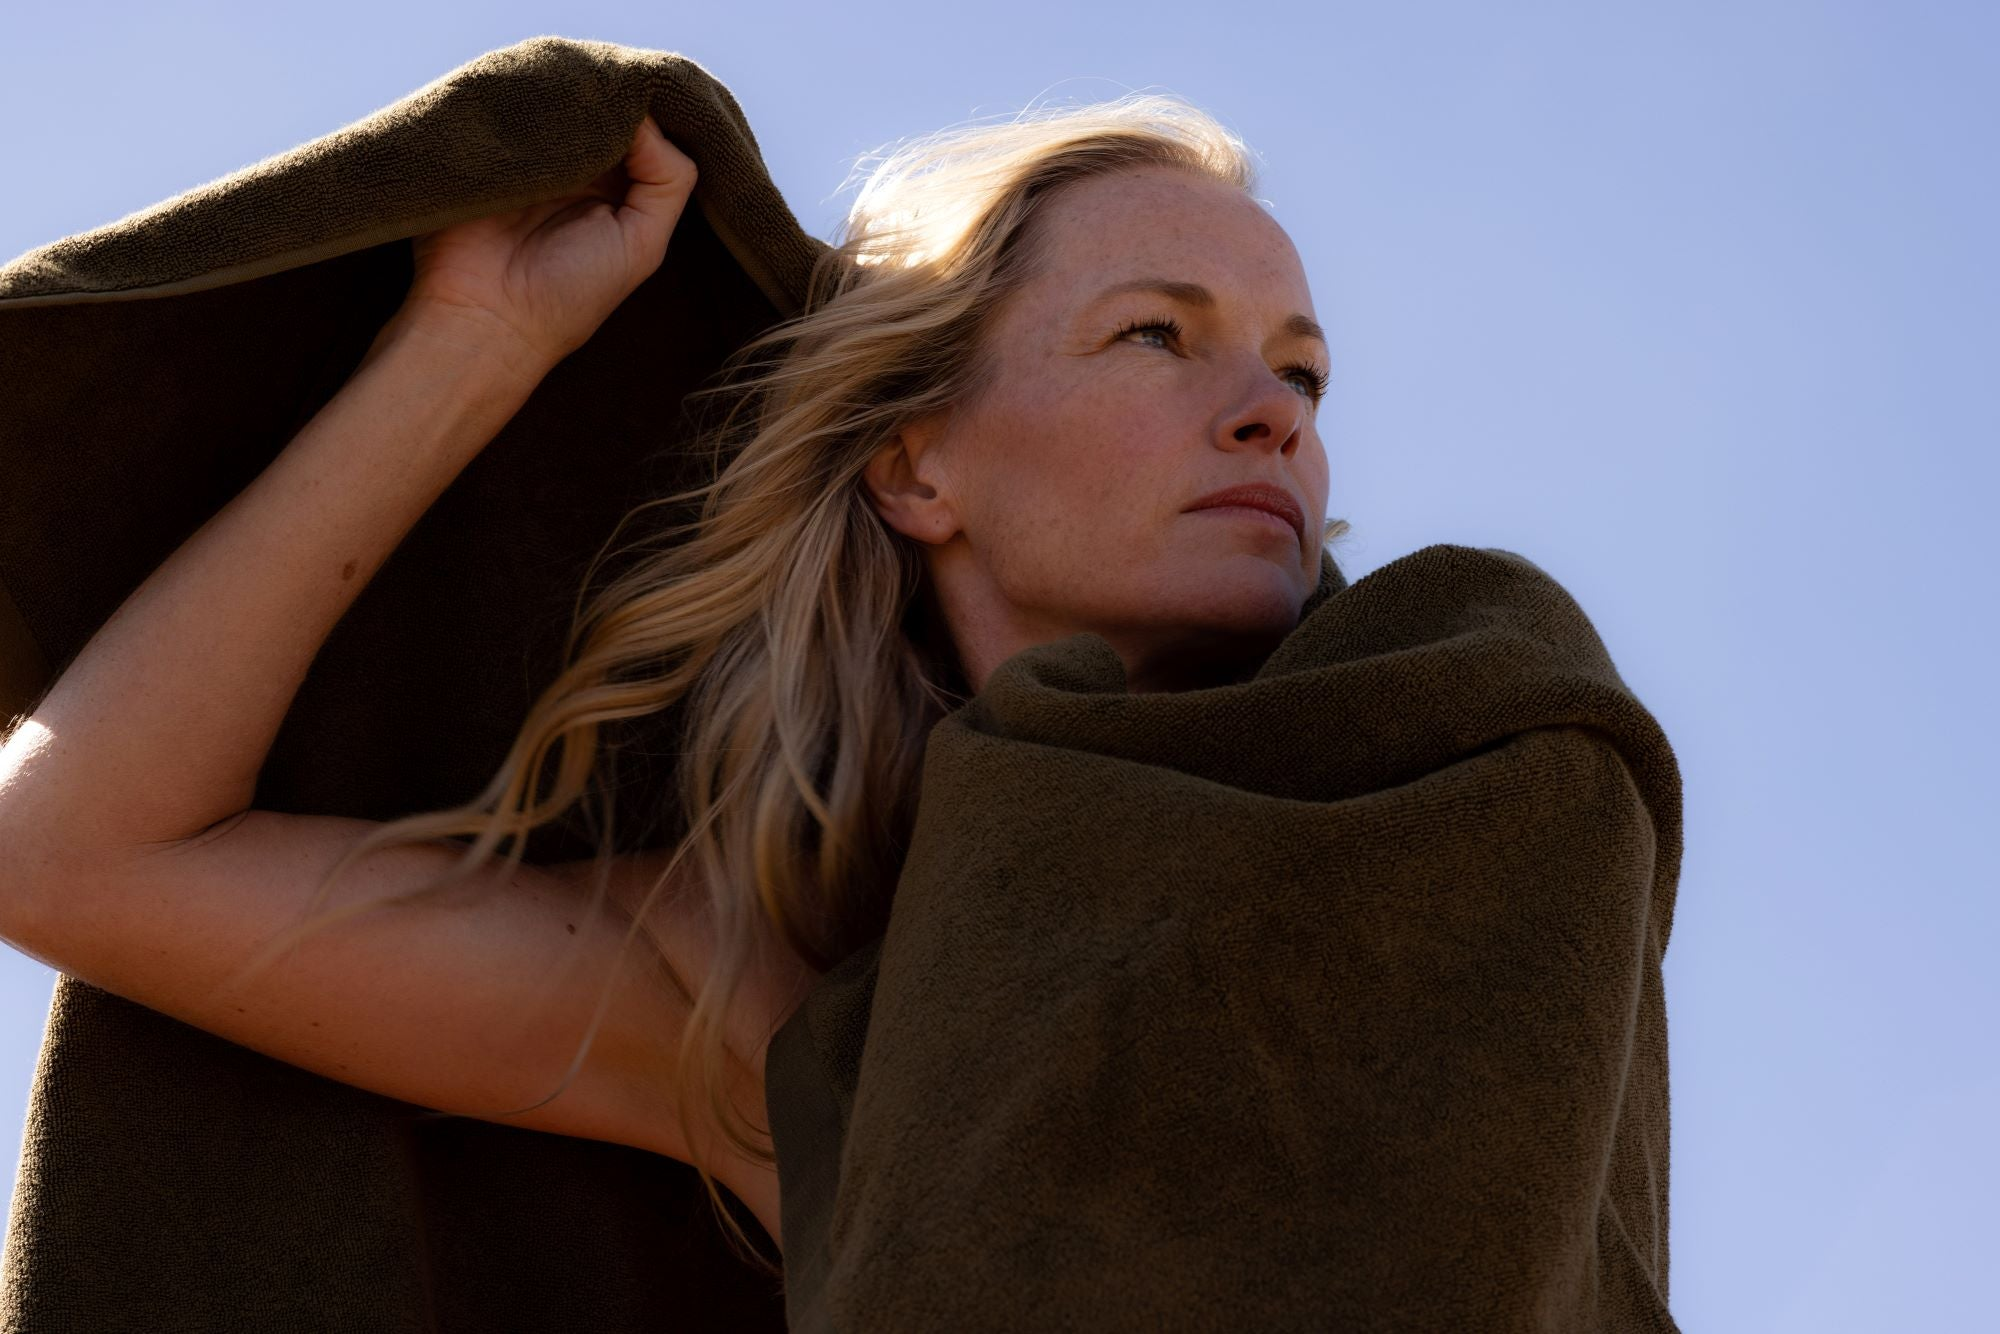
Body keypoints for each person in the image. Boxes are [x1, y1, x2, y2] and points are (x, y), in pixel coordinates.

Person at [0, 94, 1350, 1278]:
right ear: (914, 464)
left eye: (1302, 371)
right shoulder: (775, 998)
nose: (1273, 411)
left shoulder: (1468, 781)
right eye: (1157, 336)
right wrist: (476, 337)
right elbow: (72, 853)